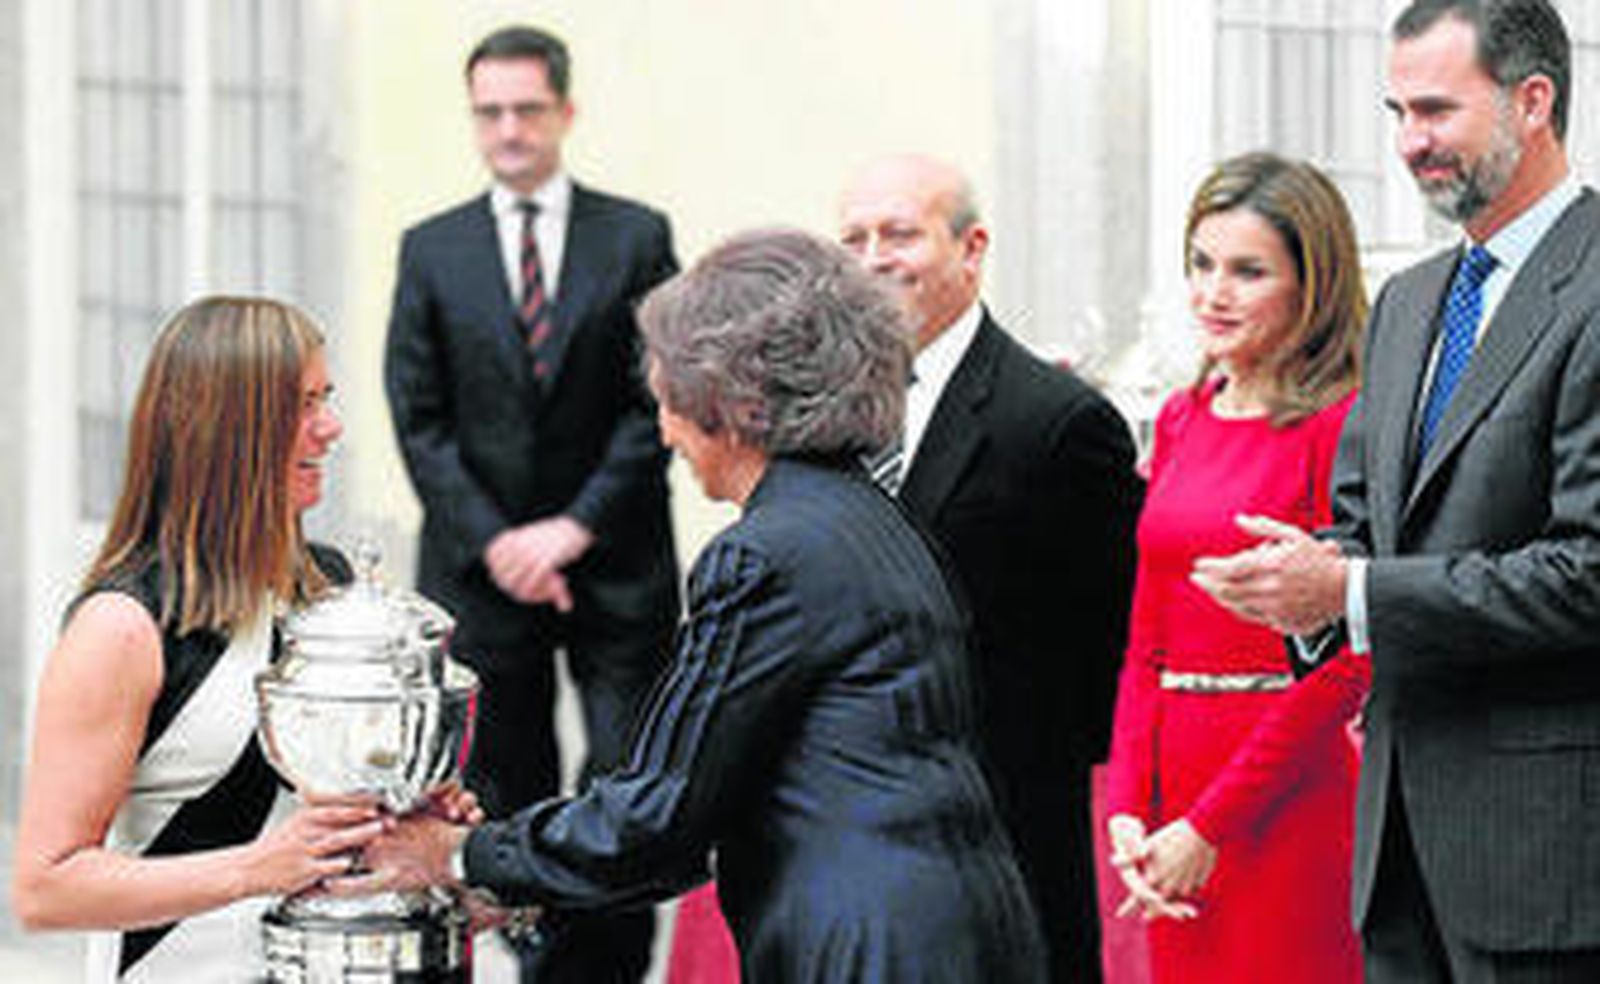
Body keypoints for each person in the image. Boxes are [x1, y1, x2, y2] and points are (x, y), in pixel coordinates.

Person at [339, 227, 1050, 982]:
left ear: (733, 401)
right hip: (963, 930)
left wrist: (456, 853)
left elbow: (660, 811)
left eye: (668, 396)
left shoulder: (764, 554)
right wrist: (508, 884)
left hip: (869, 945)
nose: (665, 427)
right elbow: (708, 811)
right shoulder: (871, 520)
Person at [1191, 2, 1600, 980]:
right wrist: (1305, 582)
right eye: (1396, 114)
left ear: (1531, 100)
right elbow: (1367, 529)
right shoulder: (1412, 301)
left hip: (1549, 863)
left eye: (1435, 111)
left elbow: (1588, 571)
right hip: (1393, 847)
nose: (1410, 144)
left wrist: (1352, 594)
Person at [382, 24, 679, 981]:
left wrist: (571, 528)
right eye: (489, 113)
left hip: (614, 559)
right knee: (502, 787)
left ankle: (603, 965)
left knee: (625, 780)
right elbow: (418, 419)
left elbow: (657, 403)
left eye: (526, 110)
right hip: (481, 566)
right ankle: (530, 955)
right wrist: (504, 543)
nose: (508, 130)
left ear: (565, 112)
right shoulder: (430, 250)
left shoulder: (635, 237)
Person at [9, 297, 385, 981]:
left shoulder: (327, 586)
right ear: (230, 429)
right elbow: (44, 888)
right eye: (303, 406)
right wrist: (256, 867)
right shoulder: (121, 626)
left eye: (325, 399)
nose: (330, 428)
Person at [837, 154, 1142, 981]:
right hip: (852, 841)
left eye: (899, 233)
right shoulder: (824, 412)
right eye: (853, 237)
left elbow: (1099, 653)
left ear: (971, 248)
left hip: (1004, 838)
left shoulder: (1060, 422)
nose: (871, 258)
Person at [1102, 152, 1369, 983]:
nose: (1212, 293)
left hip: (1286, 801)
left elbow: (1347, 660)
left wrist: (1209, 825)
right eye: (1201, 264)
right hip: (1168, 804)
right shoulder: (1183, 417)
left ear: (1310, 286)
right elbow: (1146, 640)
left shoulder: (1344, 425)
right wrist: (1126, 808)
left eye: (1247, 272)